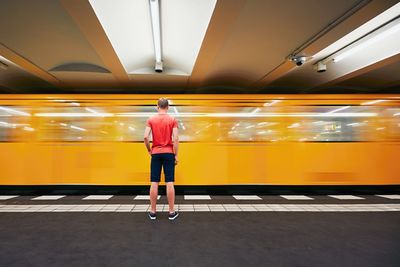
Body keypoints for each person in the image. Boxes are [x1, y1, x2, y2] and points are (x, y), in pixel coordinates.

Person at [144, 98, 179, 221]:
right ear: (168, 107)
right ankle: (171, 212)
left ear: (157, 106)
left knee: (154, 182)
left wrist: (149, 150)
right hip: (169, 153)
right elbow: (175, 139)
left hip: (156, 154)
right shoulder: (172, 120)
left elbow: (145, 137)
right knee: (169, 182)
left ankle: (153, 212)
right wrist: (176, 155)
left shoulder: (151, 119)